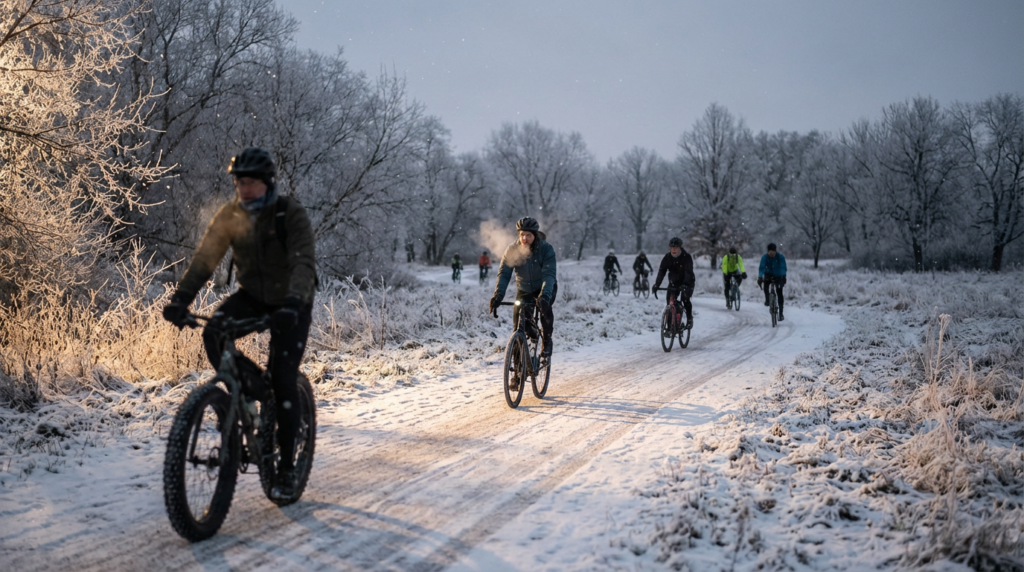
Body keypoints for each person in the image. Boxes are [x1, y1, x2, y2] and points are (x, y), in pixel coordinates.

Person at [161, 147, 317, 500]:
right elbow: (205, 260)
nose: (243, 189)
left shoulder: (289, 214)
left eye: (250, 182)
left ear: (266, 183)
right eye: (238, 182)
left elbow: (304, 262)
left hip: (293, 301)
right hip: (252, 296)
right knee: (214, 332)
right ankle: (249, 394)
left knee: (283, 380)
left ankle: (288, 469)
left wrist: (293, 302)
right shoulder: (230, 215)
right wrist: (180, 300)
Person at [489, 217, 557, 358]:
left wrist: (545, 296)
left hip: (544, 288)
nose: (524, 238)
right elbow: (504, 274)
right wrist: (498, 296)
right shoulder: (512, 249)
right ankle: (516, 373)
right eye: (522, 235)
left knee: (545, 311)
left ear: (535, 235)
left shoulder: (546, 249)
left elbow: (549, 275)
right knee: (518, 326)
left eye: (528, 235)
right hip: (525, 290)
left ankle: (546, 341)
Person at [651, 237, 695, 327]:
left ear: (680, 248)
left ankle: (689, 318)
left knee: (685, 299)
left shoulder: (686, 257)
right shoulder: (667, 257)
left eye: (676, 248)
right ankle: (670, 326)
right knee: (670, 301)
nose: (673, 250)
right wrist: (657, 284)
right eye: (671, 248)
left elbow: (688, 272)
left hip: (687, 281)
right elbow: (662, 271)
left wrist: (686, 284)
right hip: (674, 281)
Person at [757, 242, 788, 321]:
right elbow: (761, 268)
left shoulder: (780, 257)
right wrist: (760, 277)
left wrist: (783, 276)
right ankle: (767, 300)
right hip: (768, 275)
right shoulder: (764, 257)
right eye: (770, 252)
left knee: (779, 292)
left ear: (775, 251)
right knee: (766, 287)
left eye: (773, 252)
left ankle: (781, 313)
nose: (771, 254)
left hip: (778, 276)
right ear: (768, 252)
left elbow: (783, 267)